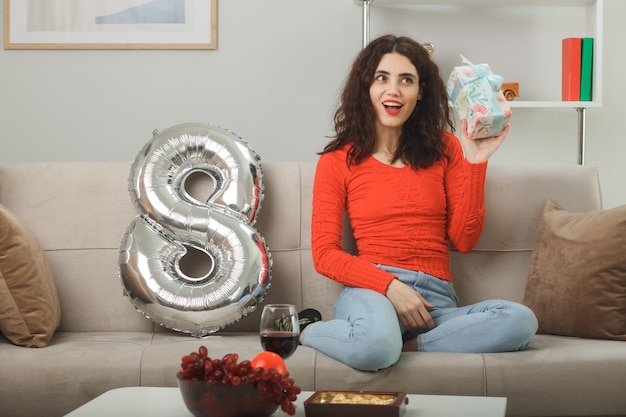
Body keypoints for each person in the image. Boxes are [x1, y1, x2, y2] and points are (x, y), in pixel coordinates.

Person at [298, 34, 538, 372]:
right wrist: (390, 286)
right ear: (366, 86)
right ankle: (307, 330)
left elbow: (464, 240)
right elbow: (325, 254)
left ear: (420, 92)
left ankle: (407, 346)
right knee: (376, 347)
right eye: (382, 78)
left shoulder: (447, 147)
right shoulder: (339, 159)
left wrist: (476, 161)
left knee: (520, 321)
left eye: (406, 80)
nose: (393, 90)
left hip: (435, 302)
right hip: (374, 291)